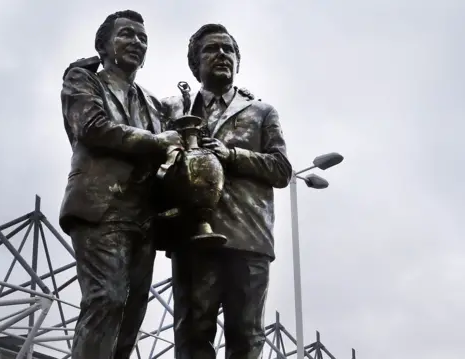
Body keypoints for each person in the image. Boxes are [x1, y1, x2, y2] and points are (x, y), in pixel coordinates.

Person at [162, 23, 293, 359]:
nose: (221, 55)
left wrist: (231, 155)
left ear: (237, 60)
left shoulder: (262, 111)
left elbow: (281, 170)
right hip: (191, 237)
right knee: (191, 334)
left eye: (228, 49)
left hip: (248, 237)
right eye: (210, 49)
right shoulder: (174, 108)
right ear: (195, 64)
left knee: (247, 337)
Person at [58, 9, 182, 359]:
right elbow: (93, 127)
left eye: (143, 38)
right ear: (104, 45)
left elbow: (170, 152)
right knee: (106, 299)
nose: (136, 42)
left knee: (131, 315)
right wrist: (158, 141)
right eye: (127, 34)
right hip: (101, 207)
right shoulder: (83, 80)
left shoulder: (153, 104)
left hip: (143, 216)